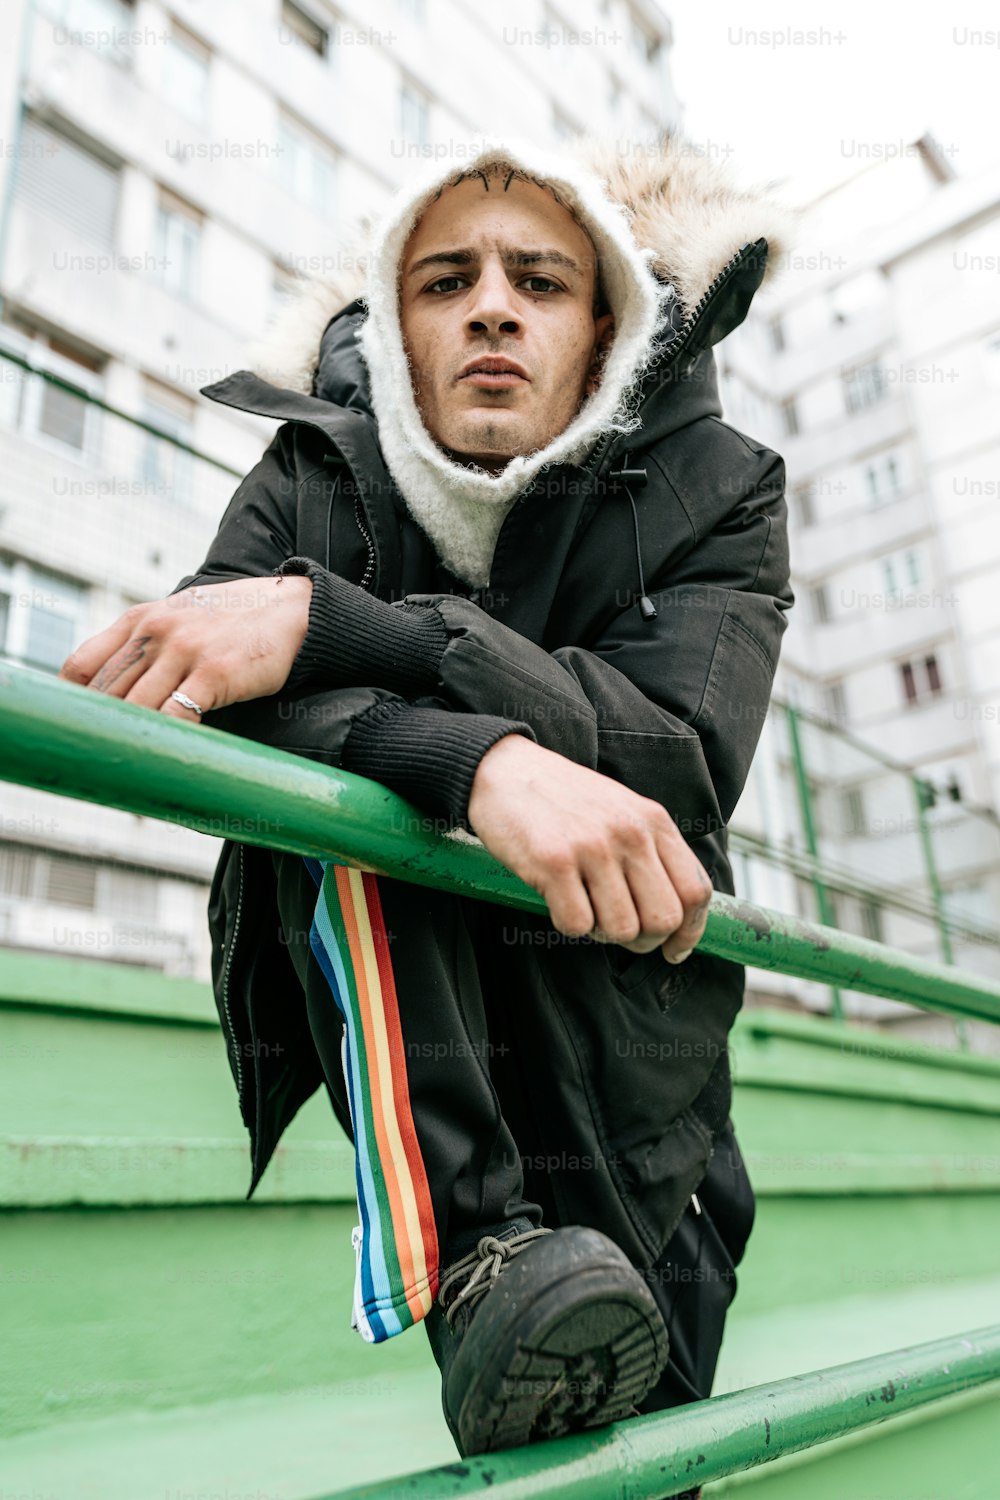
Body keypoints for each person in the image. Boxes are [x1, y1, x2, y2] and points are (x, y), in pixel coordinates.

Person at [59, 133, 796, 1475]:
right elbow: (202, 686)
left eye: (541, 280)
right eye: (445, 280)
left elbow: (679, 745)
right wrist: (475, 764)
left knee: (662, 1436)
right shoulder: (312, 470)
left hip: (644, 1049)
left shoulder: (722, 484)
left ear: (607, 327)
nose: (494, 306)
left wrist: (353, 632)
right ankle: (479, 1254)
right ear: (394, 327)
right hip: (419, 1046)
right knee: (337, 803)